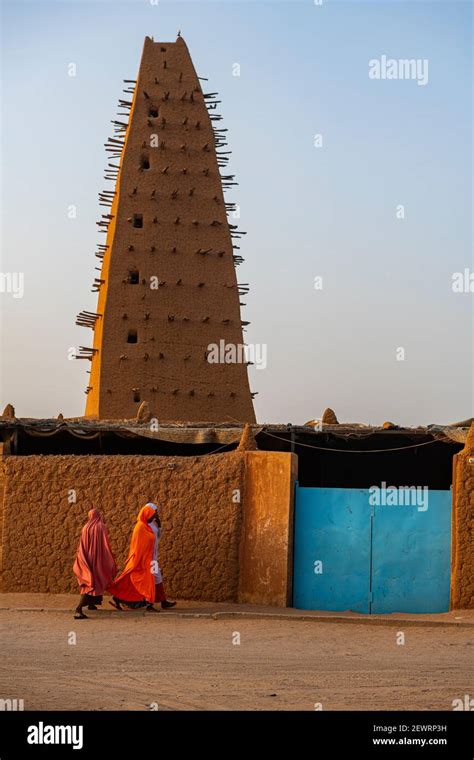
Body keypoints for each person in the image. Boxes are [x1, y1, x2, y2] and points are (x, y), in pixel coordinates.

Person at [108, 503, 176, 612]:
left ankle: (162, 601)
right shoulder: (140, 527)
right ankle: (149, 604)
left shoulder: (152, 525)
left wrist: (159, 526)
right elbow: (138, 546)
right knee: (147, 580)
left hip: (152, 558)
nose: (156, 515)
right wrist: (142, 560)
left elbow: (156, 540)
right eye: (154, 513)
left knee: (157, 578)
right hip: (143, 560)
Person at [73, 508, 117, 620]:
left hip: (87, 559)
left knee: (91, 581)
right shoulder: (101, 526)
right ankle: (79, 608)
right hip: (97, 559)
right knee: (94, 583)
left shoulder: (85, 528)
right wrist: (109, 557)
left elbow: (81, 546)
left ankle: (91, 604)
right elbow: (105, 544)